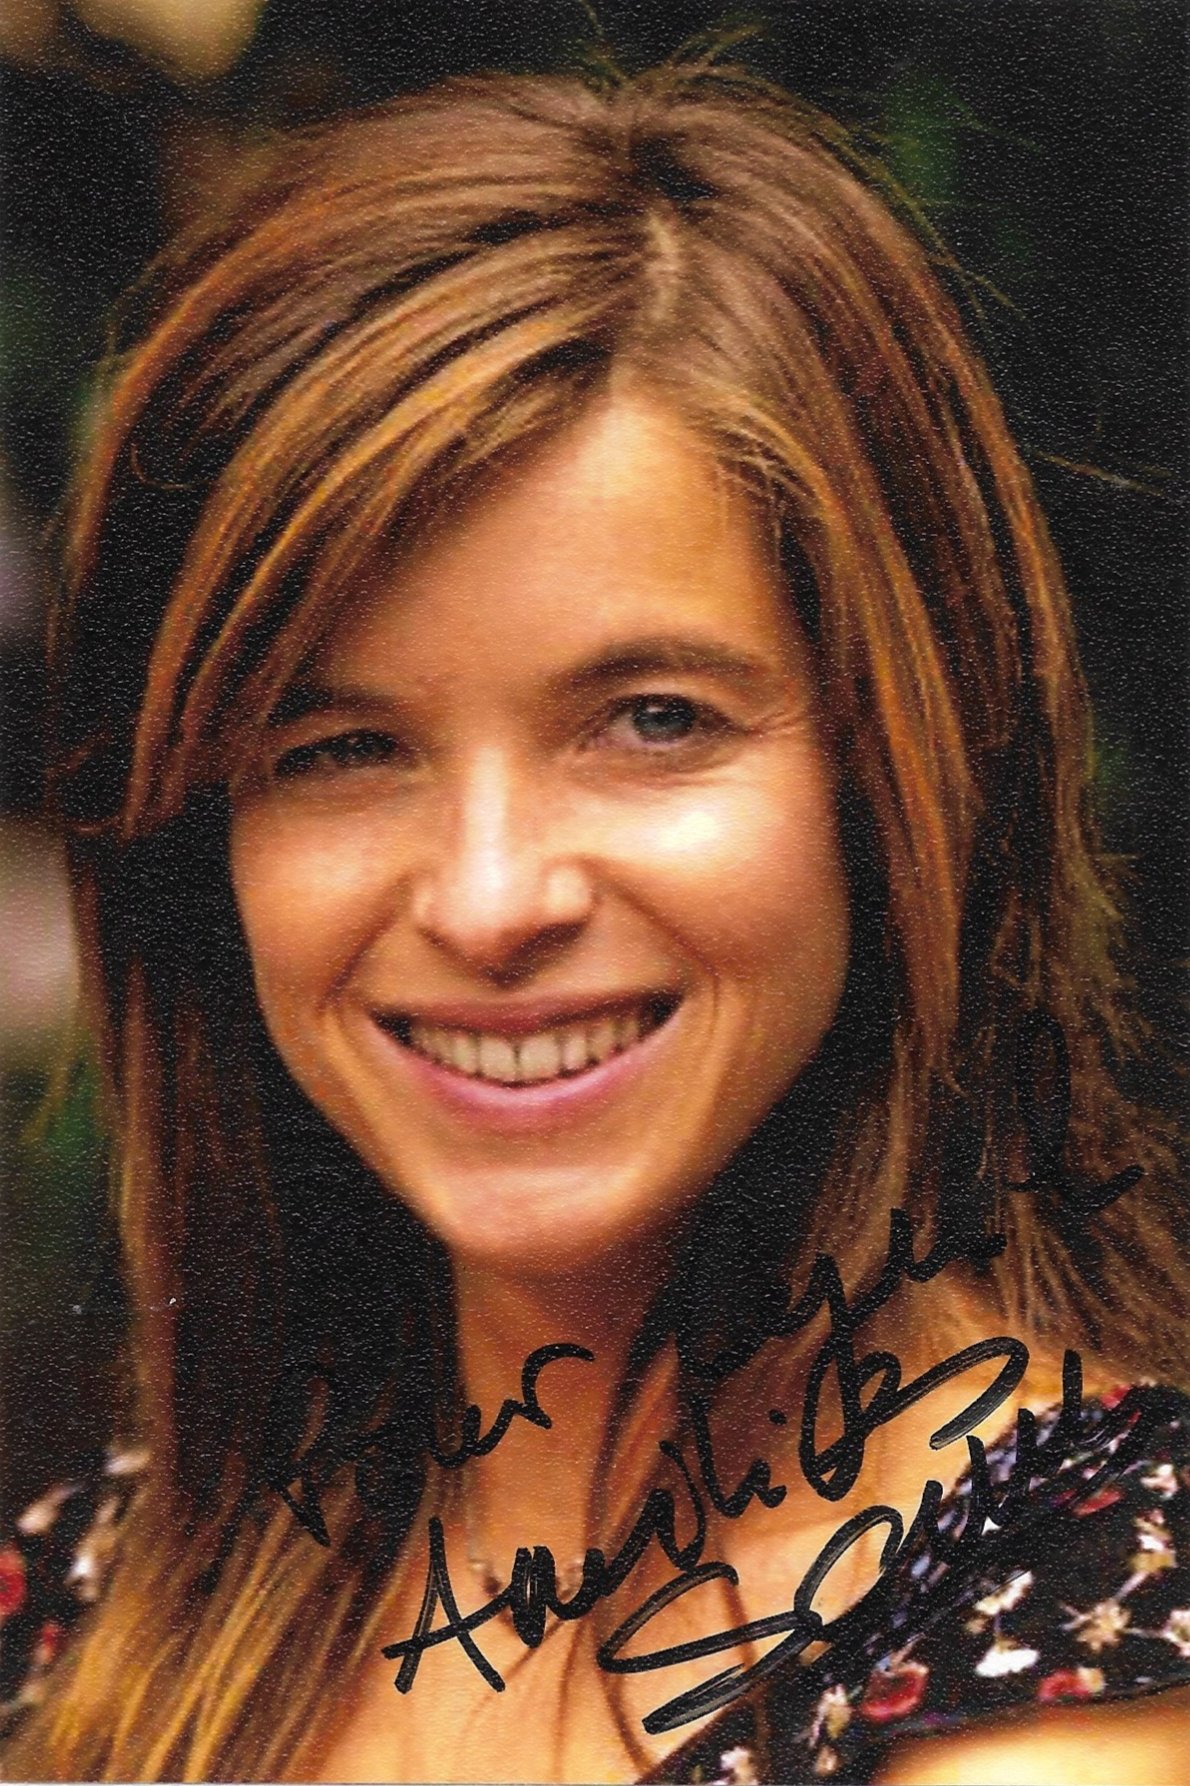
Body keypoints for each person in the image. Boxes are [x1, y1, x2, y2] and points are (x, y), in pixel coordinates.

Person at [2, 61, 1188, 1786]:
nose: (491, 899)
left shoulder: (1069, 1679)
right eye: (340, 748)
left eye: (650, 719)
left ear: (904, 769)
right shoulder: (94, 1610)